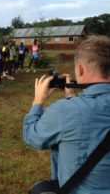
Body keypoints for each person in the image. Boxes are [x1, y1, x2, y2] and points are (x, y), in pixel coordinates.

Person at [23, 36, 110, 193]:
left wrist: (37, 102)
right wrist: (71, 96)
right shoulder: (71, 109)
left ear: (81, 69)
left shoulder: (65, 111)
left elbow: (32, 137)